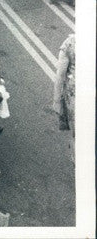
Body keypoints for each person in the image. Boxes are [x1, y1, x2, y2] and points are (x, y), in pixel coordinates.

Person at [52, 33, 75, 161]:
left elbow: (60, 75)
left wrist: (56, 101)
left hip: (75, 99)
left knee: (76, 136)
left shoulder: (69, 44)